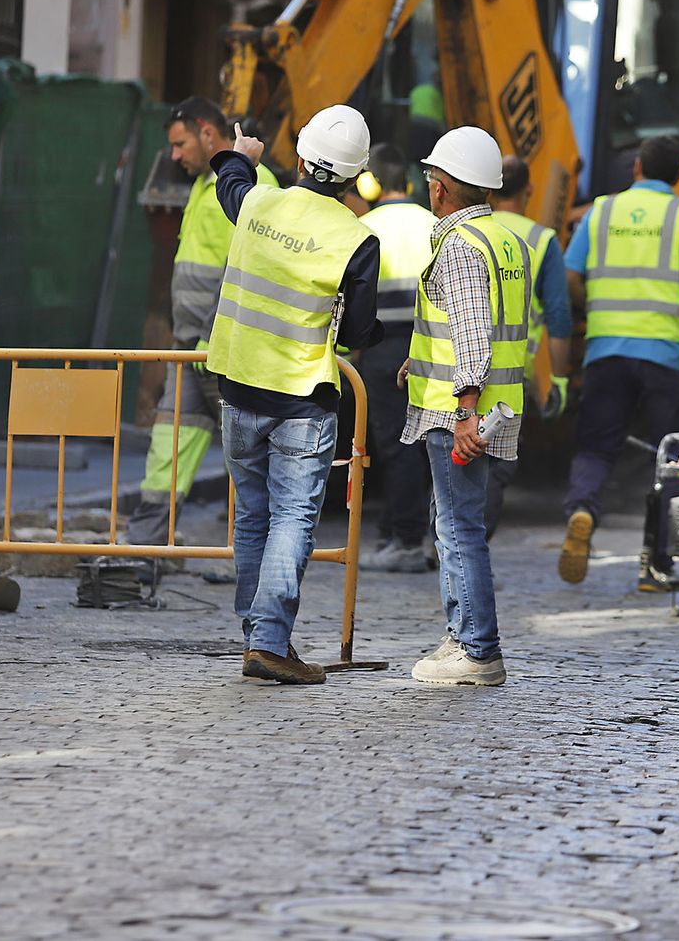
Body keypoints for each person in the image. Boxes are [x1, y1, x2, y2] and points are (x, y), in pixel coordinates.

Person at [205, 106, 383, 685]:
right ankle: (268, 641)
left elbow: (230, 184)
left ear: (302, 158)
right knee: (292, 518)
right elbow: (357, 332)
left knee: (253, 514)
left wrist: (242, 155)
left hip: (237, 386)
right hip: (302, 398)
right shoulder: (357, 239)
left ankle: (257, 636)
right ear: (355, 176)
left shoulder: (258, 203)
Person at [557, 135, 679, 584]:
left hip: (606, 351)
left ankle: (582, 510)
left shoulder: (601, 212)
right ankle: (657, 562)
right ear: (678, 176)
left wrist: (592, 305)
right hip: (664, 355)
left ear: (636, 168)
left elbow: (569, 274)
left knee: (595, 445)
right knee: (675, 455)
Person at [398, 126, 530, 687]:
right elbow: (477, 326)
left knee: (457, 529)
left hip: (460, 414)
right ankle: (463, 638)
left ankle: (476, 648)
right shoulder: (507, 240)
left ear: (442, 187)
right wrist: (416, 361)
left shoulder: (460, 246)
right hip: (496, 404)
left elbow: (473, 336)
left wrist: (465, 414)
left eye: (432, 177)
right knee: (455, 523)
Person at [128, 98, 278, 556]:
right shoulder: (203, 184)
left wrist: (211, 335)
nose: (175, 156)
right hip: (194, 349)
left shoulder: (253, 183)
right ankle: (143, 555)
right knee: (168, 448)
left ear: (207, 133)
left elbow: (245, 269)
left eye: (180, 144)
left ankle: (262, 564)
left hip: (225, 350)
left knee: (251, 460)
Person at [356, 144, 437, 573]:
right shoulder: (432, 224)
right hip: (430, 348)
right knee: (427, 443)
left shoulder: (364, 228)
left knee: (396, 445)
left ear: (370, 183)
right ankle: (408, 532)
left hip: (383, 348)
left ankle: (406, 540)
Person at [483, 155, 572, 537]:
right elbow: (559, 317)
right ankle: (469, 547)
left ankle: (446, 542)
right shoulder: (541, 240)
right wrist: (559, 382)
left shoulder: (470, 230)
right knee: (494, 465)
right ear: (530, 190)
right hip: (510, 375)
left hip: (456, 365)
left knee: (452, 457)